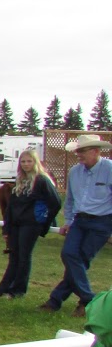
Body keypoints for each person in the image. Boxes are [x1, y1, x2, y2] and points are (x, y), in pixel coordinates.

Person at [40, 135, 112, 317]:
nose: (78, 154)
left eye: (82, 151)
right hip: (79, 220)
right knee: (69, 255)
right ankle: (89, 299)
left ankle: (56, 301)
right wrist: (69, 222)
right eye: (77, 150)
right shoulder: (74, 171)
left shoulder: (110, 168)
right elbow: (70, 199)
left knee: (80, 261)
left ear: (96, 151)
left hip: (102, 221)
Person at [0, 150, 61, 299]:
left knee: (24, 256)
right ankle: (3, 288)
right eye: (23, 162)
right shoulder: (20, 180)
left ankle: (18, 290)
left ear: (35, 162)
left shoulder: (42, 180)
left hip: (31, 224)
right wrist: (7, 227)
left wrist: (44, 223)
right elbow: (11, 206)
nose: (26, 165)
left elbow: (55, 203)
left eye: (29, 161)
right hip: (16, 223)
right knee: (14, 256)